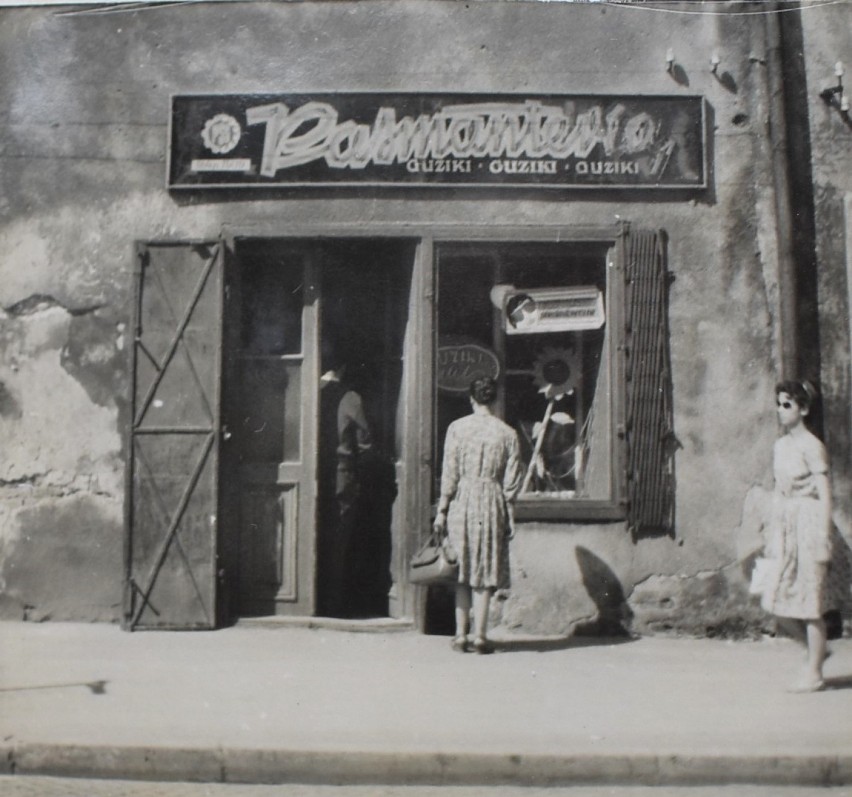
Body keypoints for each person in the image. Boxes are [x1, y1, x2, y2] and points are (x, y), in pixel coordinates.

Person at [757, 380, 844, 692]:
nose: (781, 411)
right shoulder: (780, 446)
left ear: (803, 409)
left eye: (788, 405)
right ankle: (815, 652)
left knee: (810, 604)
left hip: (809, 525)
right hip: (786, 527)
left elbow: (825, 495)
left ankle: (814, 673)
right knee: (774, 598)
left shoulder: (812, 446)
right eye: (779, 404)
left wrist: (822, 538)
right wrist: (771, 528)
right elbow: (779, 491)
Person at [433, 376, 522, 654]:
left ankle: (461, 636)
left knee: (462, 567)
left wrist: (442, 509)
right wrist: (510, 514)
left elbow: (450, 473)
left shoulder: (457, 429)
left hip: (464, 499)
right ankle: (481, 636)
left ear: (471, 398)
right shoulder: (507, 433)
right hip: (492, 502)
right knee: (483, 569)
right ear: (493, 399)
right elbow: (511, 482)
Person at [319, 355, 374, 617]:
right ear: (342, 366)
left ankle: (313, 599)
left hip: (316, 474)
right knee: (340, 539)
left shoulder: (309, 391)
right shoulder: (350, 398)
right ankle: (334, 603)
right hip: (342, 475)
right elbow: (364, 443)